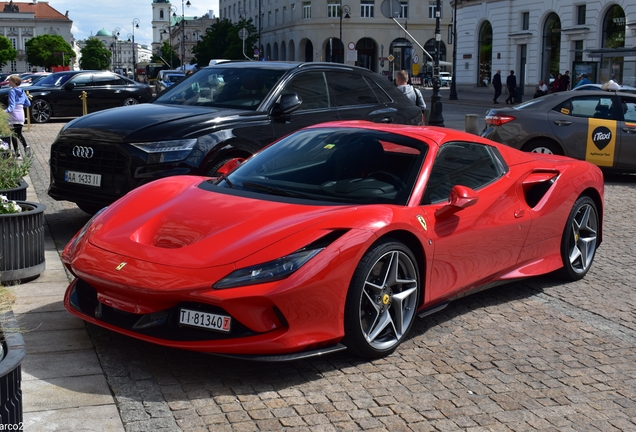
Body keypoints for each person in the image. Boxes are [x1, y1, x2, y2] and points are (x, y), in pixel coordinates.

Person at [4, 74, 31, 159]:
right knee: (18, 133)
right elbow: (28, 103)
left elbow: (12, 106)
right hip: (21, 114)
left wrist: (4, 111)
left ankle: (17, 154)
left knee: (13, 134)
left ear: (14, 82)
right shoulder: (22, 91)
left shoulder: (12, 91)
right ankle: (25, 146)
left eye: (10, 81)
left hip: (14, 115)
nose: (8, 82)